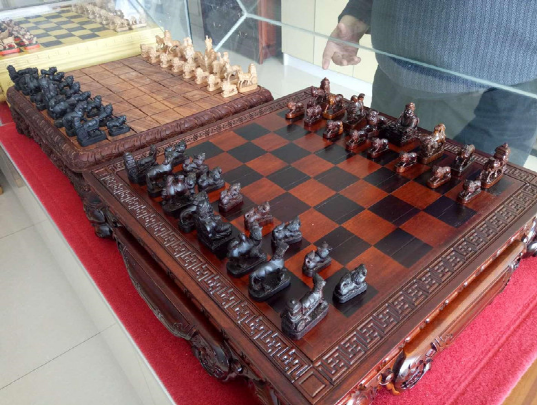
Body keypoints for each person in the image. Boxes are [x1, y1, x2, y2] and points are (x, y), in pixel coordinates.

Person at [323, 0, 537, 166]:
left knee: (468, 204)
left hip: (499, 94)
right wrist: (359, 12)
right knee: (380, 190)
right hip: (394, 75)